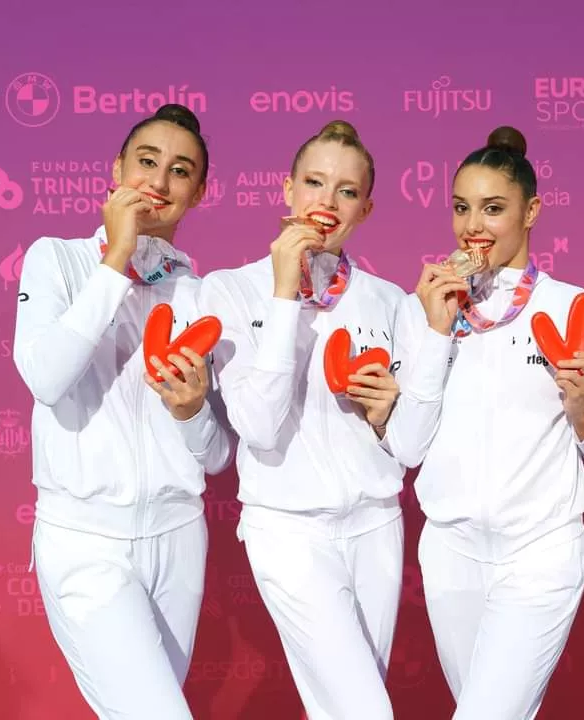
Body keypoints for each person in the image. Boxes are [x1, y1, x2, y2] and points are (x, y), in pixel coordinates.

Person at [384, 125, 584, 720]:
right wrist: (435, 330)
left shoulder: (578, 308)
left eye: (494, 209)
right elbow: (408, 447)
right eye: (462, 207)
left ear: (532, 211)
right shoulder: (424, 309)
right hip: (450, 554)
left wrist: (582, 410)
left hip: (540, 551)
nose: (474, 226)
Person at [12, 104, 231, 719]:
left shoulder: (197, 293)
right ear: (116, 169)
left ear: (199, 192)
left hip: (178, 539)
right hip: (86, 542)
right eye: (146, 162)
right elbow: (47, 379)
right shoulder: (57, 259)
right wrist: (115, 261)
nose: (158, 183)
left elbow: (215, 456)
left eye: (180, 171)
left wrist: (191, 411)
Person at [199, 121, 404, 720]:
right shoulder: (232, 291)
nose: (326, 202)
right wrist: (285, 295)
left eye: (345, 191)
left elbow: (408, 436)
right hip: (287, 532)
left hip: (376, 527)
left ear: (365, 208)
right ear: (286, 190)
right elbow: (258, 426)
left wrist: (390, 408)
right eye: (314, 182)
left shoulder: (389, 301)